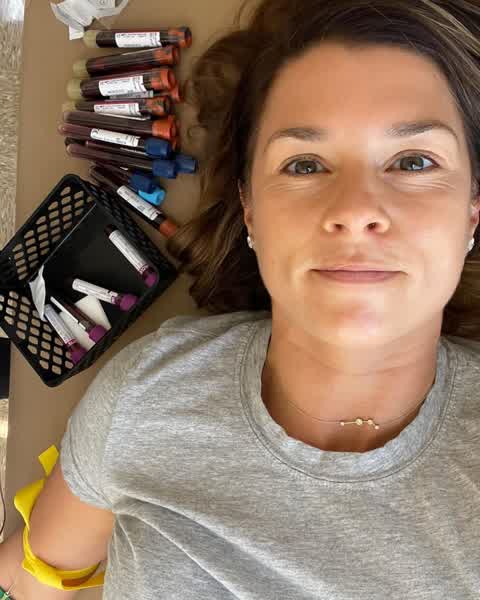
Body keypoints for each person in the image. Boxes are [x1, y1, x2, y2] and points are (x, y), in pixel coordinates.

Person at [2, 0, 480, 598]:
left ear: (472, 211)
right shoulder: (147, 397)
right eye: (305, 165)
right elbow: (32, 574)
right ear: (250, 209)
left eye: (413, 161)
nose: (357, 211)